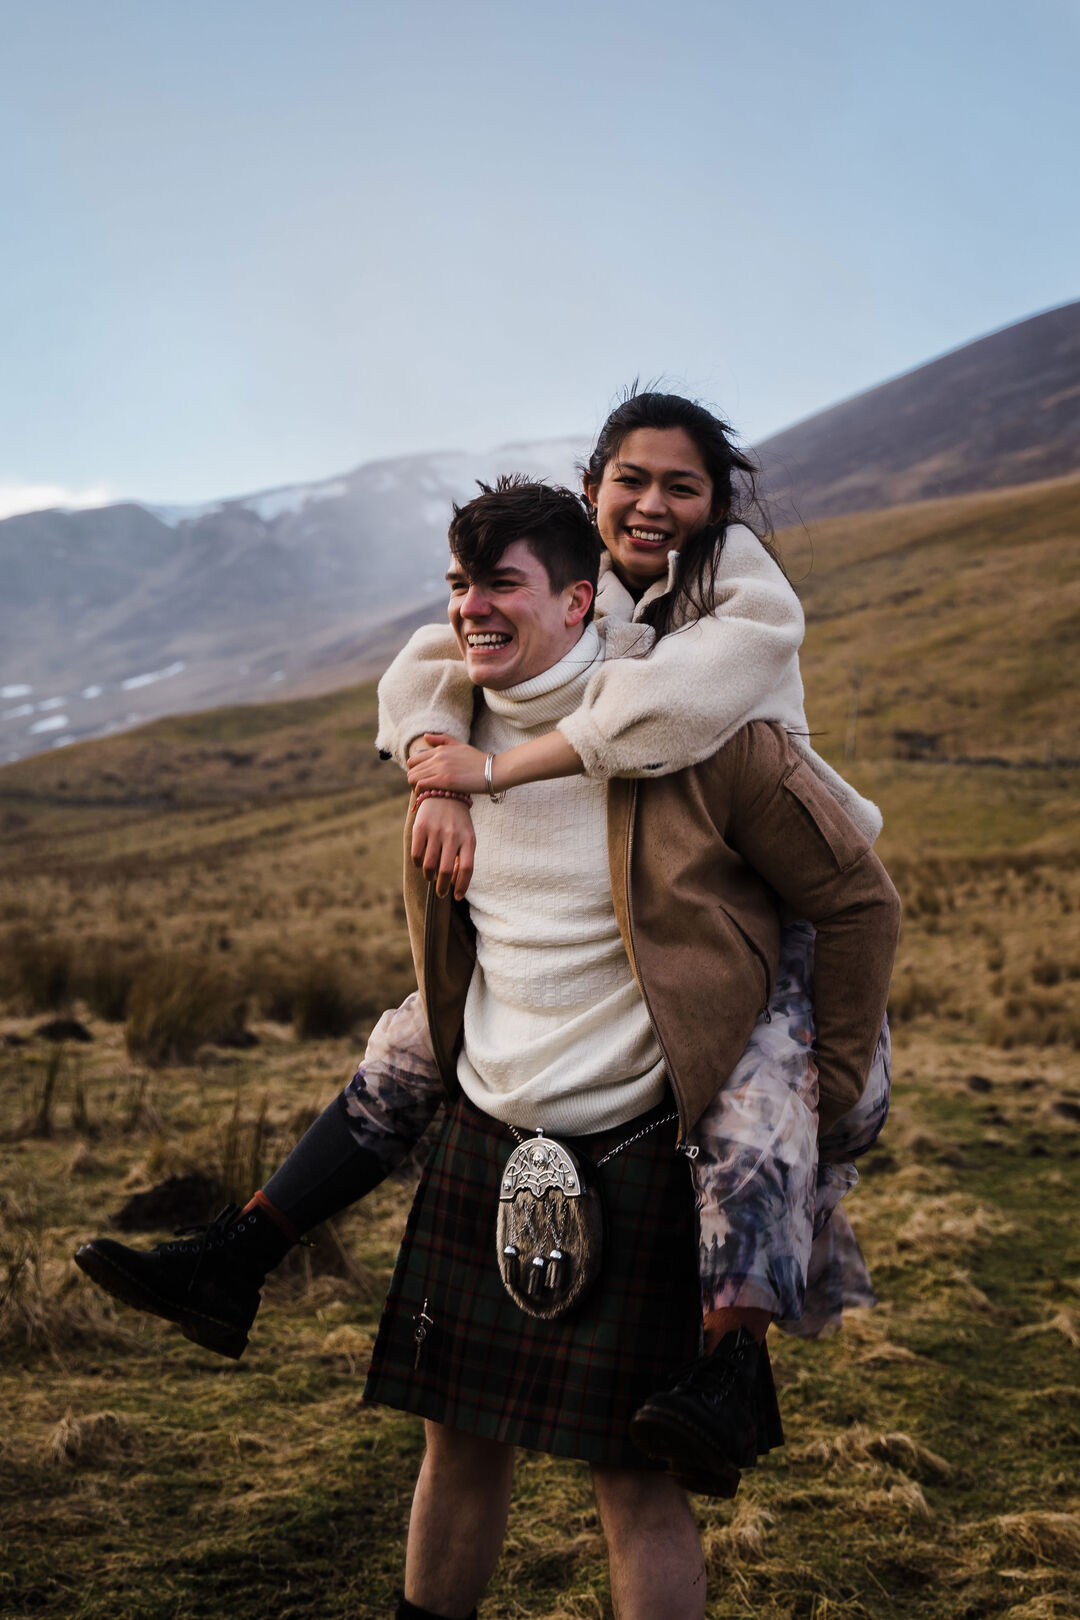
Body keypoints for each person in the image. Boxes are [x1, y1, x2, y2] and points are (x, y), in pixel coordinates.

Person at [77, 479, 900, 1620]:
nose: (471, 608)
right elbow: (418, 670)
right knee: (454, 1447)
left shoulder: (696, 738)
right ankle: (237, 1259)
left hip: (642, 1145)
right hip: (484, 1129)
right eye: (459, 584)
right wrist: (438, 757)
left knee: (634, 1483)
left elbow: (858, 898)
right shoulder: (446, 724)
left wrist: (828, 1086)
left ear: (580, 599)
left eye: (499, 585)